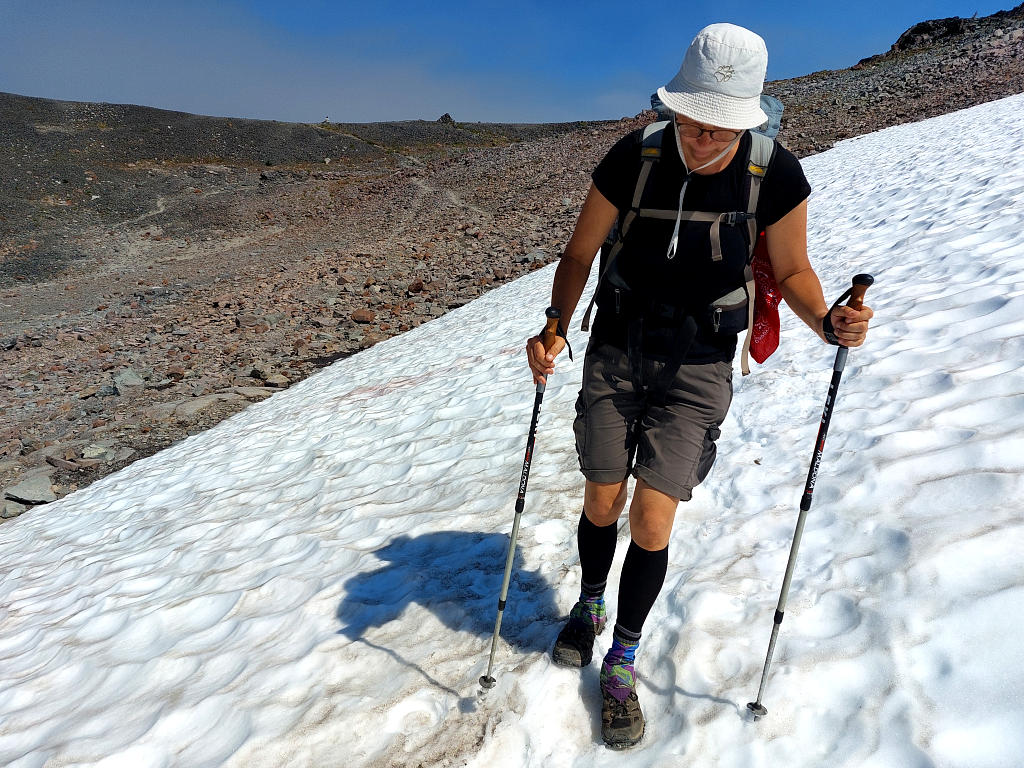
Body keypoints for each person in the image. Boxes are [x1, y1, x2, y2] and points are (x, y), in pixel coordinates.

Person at [526, 23, 873, 749]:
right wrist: (556, 323)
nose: (702, 136)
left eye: (718, 126)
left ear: (746, 117)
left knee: (652, 516)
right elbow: (580, 252)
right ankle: (589, 604)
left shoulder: (775, 173)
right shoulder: (635, 156)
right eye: (690, 119)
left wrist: (826, 322)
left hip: (701, 359)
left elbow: (795, 270)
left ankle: (620, 655)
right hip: (618, 343)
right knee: (601, 495)